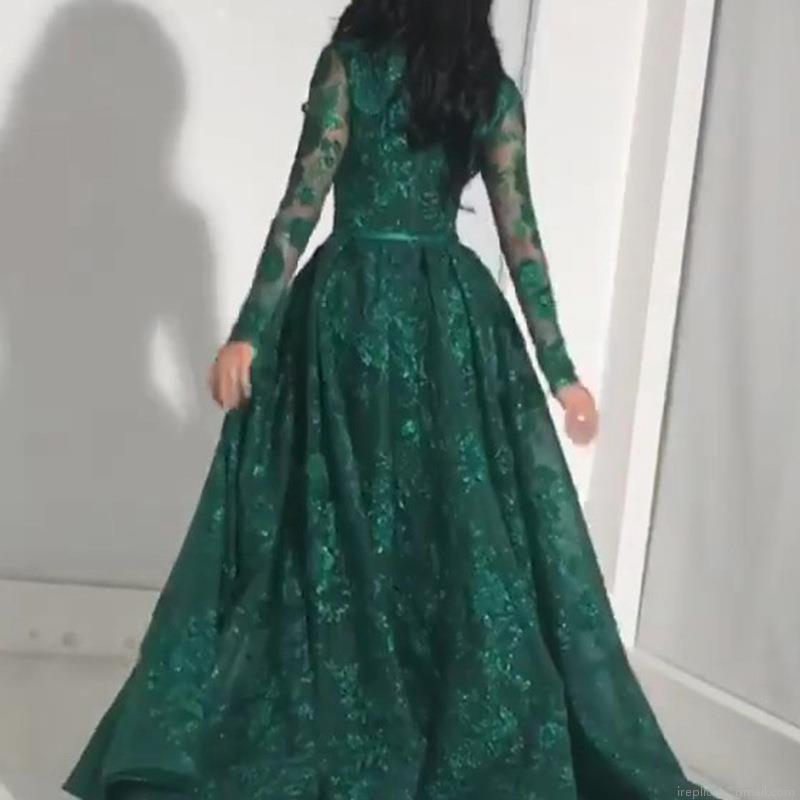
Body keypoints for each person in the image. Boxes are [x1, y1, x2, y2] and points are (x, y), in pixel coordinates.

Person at [64, 1, 721, 798]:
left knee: (339, 526)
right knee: (446, 528)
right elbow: (522, 238)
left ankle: (357, 716)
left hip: (346, 313)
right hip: (448, 324)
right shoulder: (484, 90)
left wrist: (250, 331)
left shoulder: (355, 67)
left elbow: (302, 203)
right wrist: (559, 370)